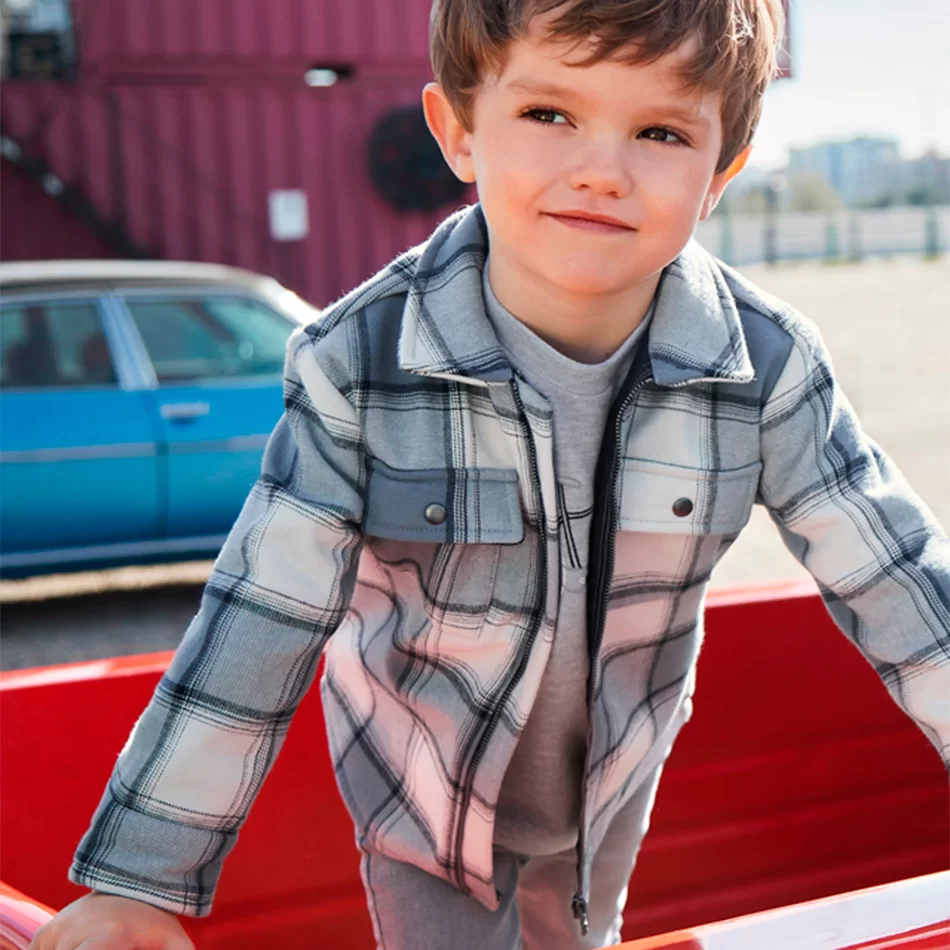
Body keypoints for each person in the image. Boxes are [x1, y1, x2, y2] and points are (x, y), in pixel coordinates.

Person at [32, 0, 950, 947]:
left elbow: (892, 570)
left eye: (661, 131)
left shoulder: (764, 365)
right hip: (423, 785)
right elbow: (262, 610)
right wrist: (142, 881)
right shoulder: (361, 360)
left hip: (612, 774)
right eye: (550, 115)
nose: (602, 168)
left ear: (719, 174)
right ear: (459, 131)